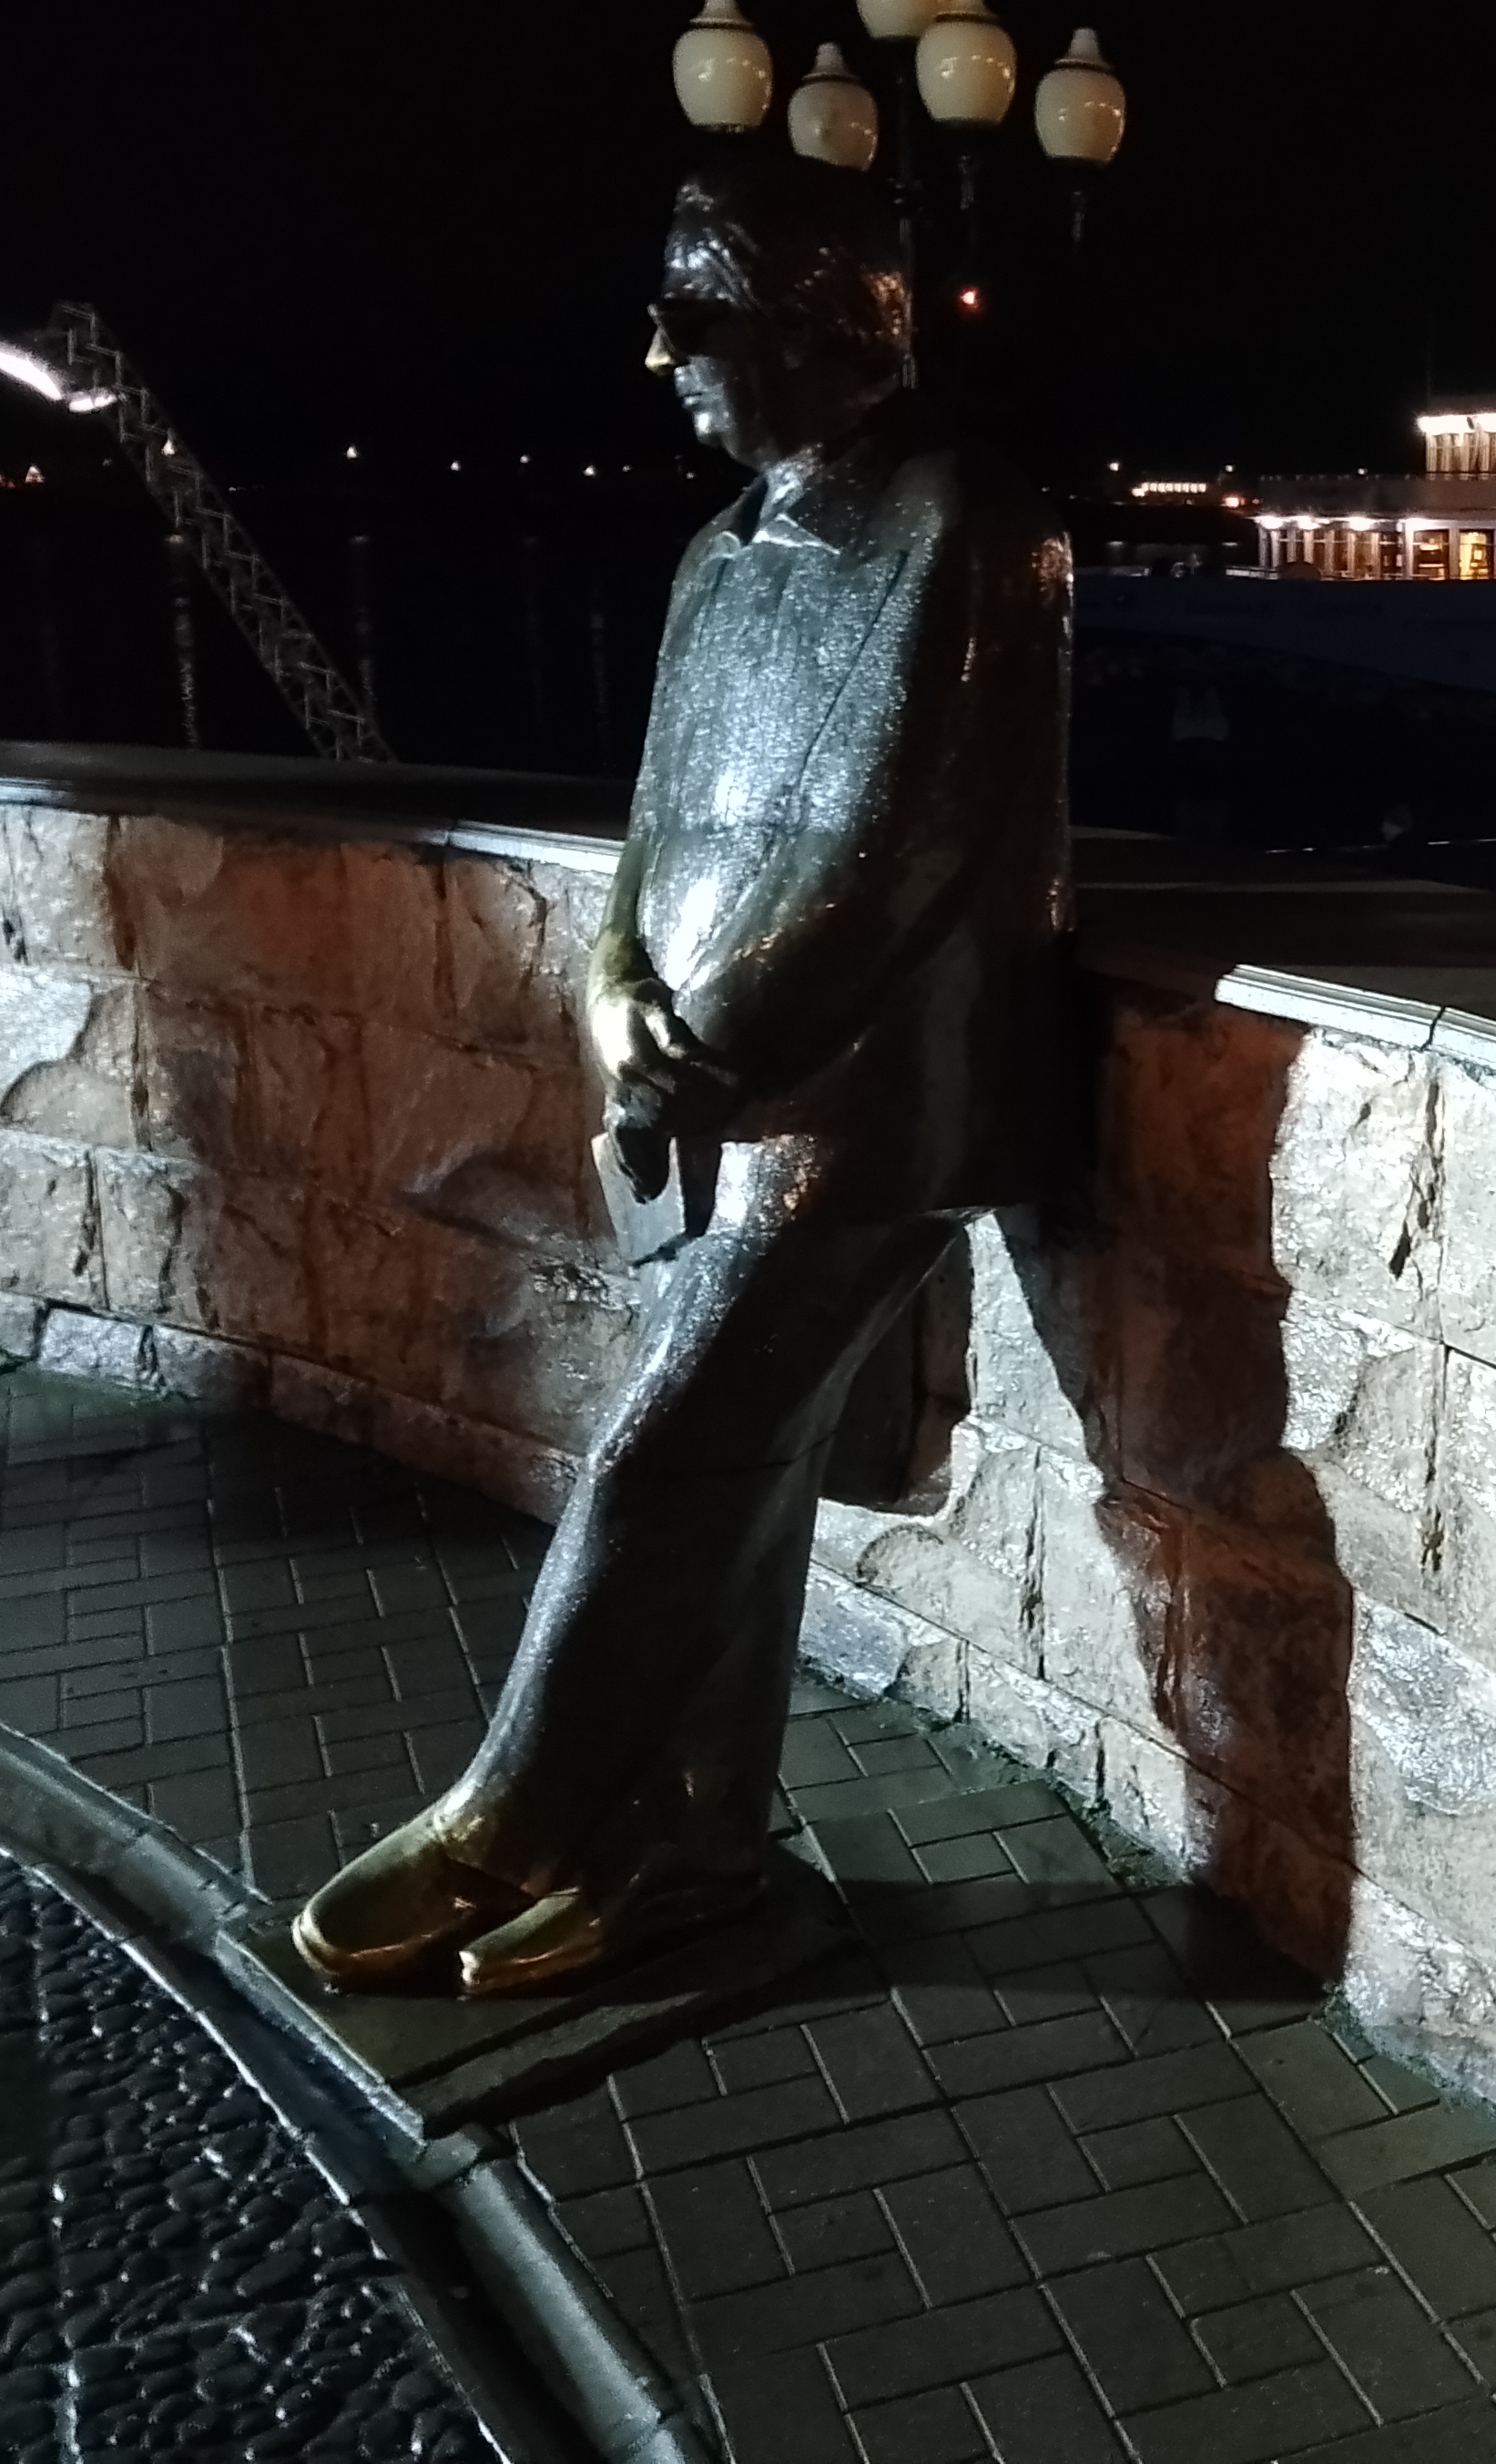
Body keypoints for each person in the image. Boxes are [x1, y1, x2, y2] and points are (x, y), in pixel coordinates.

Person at [294, 145, 1068, 1998]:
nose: (663, 355)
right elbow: (651, 831)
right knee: (745, 1460)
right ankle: (695, 1848)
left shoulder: (960, 524)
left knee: (665, 1448)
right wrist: (612, 995)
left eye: (695, 311)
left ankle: (511, 1814)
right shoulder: (713, 563)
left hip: (869, 1100)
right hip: (703, 1085)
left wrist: (713, 1052)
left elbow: (906, 839)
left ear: (821, 316)